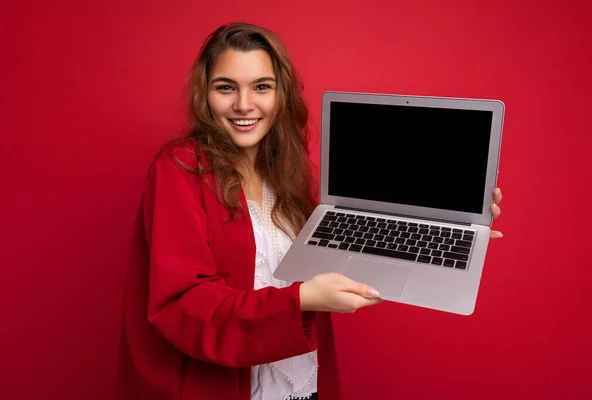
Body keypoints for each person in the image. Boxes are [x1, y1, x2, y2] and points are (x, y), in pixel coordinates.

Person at [116, 22, 504, 400]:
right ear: (205, 94)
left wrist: (447, 219)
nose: (244, 105)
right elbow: (184, 304)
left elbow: (329, 254)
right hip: (225, 385)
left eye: (261, 87)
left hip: (299, 378)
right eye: (226, 88)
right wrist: (301, 300)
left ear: (281, 94)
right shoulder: (180, 167)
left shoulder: (285, 174)